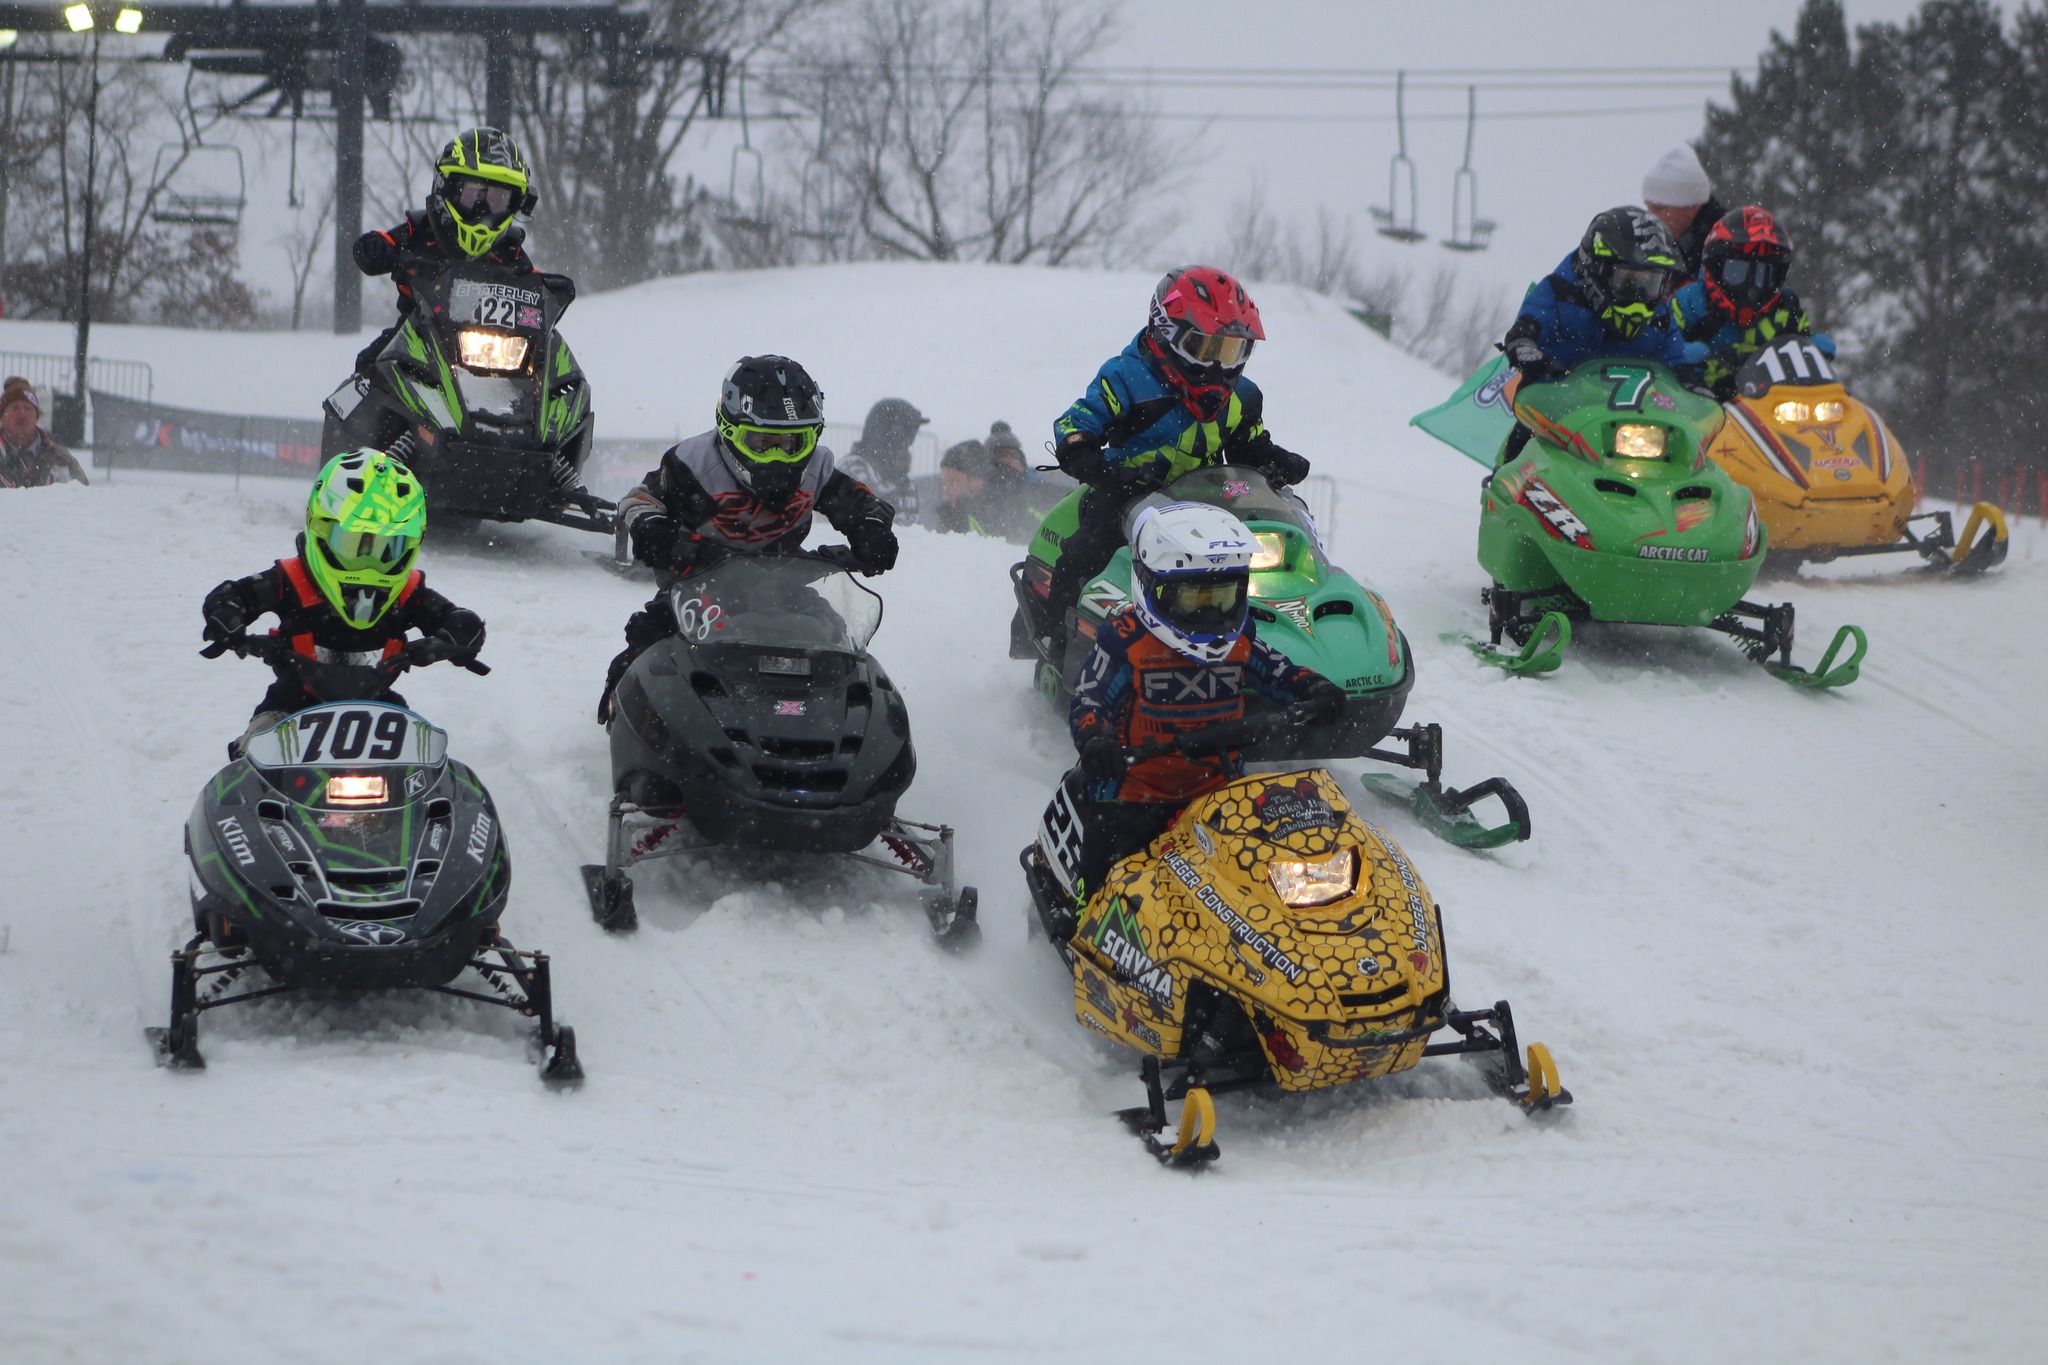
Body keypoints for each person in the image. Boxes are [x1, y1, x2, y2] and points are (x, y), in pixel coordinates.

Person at [1064, 502, 1344, 903]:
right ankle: (1082, 919)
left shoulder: (1240, 640)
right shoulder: (1126, 641)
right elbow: (1088, 697)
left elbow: (1280, 671)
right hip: (1135, 795)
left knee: (1264, 879)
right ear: (1154, 587)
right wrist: (1095, 739)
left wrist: (1316, 689)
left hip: (1221, 792)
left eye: (1222, 597)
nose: (1211, 614)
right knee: (1106, 882)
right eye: (1195, 600)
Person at [599, 355, 900, 722]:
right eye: (761, 442)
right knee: (647, 643)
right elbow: (641, 498)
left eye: (791, 442)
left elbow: (865, 504)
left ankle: (837, 722)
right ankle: (625, 718)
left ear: (813, 436)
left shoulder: (817, 469)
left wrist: (872, 530)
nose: (778, 456)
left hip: (784, 583)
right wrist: (652, 529)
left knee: (835, 643)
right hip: (699, 583)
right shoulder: (693, 462)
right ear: (729, 431)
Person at [1044, 265, 1310, 658]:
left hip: (1210, 502)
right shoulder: (1126, 377)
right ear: (1167, 334)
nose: (1218, 366)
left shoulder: (1243, 396)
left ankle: (1269, 644)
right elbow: (1077, 422)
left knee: (1262, 556)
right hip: (1128, 494)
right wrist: (1085, 455)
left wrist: (1275, 460)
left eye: (1230, 351)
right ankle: (1056, 641)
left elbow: (1248, 445)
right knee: (1085, 553)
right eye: (1206, 348)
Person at [201, 448, 486, 756]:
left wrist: (460, 632)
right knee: (253, 757)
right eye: (353, 544)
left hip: (379, 711)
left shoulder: (407, 592)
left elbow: (451, 617)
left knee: (424, 760)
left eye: (388, 548)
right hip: (289, 707)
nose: (369, 564)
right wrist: (226, 614)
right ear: (320, 529)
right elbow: (235, 594)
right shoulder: (292, 579)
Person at [351, 127, 549, 375]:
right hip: (417, 341)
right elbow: (385, 241)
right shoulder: (421, 229)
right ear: (447, 188)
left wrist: (548, 290)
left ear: (515, 203)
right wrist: (376, 248)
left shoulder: (509, 249)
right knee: (370, 366)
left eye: (497, 199)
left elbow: (532, 282)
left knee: (546, 366)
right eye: (474, 194)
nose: (483, 210)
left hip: (499, 352)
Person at [1670, 207, 1815, 398]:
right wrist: (1685, 357)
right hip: (1698, 404)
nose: (1751, 289)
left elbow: (1805, 347)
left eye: (1764, 275)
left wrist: (1815, 351)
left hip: (1770, 405)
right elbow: (1659, 346)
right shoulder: (1688, 303)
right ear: (1715, 268)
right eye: (1736, 272)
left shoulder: (1786, 308)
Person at [837, 398, 927, 524]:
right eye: (904, 439)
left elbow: (911, 529)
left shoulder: (905, 484)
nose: (907, 447)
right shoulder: (853, 468)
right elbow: (873, 521)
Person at [1641, 144, 1726, 277]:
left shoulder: (1725, 252)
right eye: (1647, 207)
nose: (1650, 217)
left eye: (1659, 208)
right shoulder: (1653, 245)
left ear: (1692, 206)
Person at [933, 437, 1034, 542]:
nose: (946, 490)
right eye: (943, 482)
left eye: (952, 481)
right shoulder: (949, 513)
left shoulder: (1007, 510)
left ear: (975, 480)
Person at [0, 378, 89, 487]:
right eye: (15, 408)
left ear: (37, 417)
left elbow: (83, 495)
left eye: (28, 408)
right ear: (2, 416)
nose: (22, 415)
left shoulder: (61, 459)